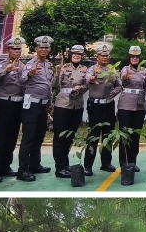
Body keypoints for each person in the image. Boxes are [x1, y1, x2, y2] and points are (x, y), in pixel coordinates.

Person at [0, 34, 25, 182]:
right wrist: (7, 70)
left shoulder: (23, 66)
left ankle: (5, 166)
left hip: (18, 103)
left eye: (19, 49)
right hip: (4, 103)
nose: (17, 52)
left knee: (12, 137)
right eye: (14, 49)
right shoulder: (2, 64)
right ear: (8, 50)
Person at [14, 37, 52, 182]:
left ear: (49, 49)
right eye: (41, 47)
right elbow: (22, 79)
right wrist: (30, 73)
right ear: (36, 49)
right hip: (32, 104)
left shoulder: (48, 64)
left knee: (39, 135)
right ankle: (23, 170)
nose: (44, 50)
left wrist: (49, 102)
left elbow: (48, 85)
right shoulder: (31, 64)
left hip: (43, 105)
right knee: (28, 137)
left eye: (46, 47)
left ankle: (35, 164)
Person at [50, 44, 89, 177]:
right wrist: (57, 73)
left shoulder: (85, 69)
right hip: (63, 105)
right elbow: (54, 85)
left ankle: (65, 164)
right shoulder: (63, 68)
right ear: (71, 55)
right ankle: (59, 167)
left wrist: (81, 88)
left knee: (70, 136)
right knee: (60, 136)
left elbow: (87, 86)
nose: (76, 56)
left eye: (79, 54)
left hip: (77, 105)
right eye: (74, 54)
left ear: (82, 56)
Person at [82, 44, 121, 176]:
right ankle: (88, 166)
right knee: (93, 136)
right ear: (97, 56)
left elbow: (119, 85)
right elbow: (87, 77)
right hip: (96, 105)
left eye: (106, 55)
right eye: (102, 55)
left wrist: (115, 92)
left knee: (108, 135)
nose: (104, 57)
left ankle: (106, 163)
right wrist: (91, 79)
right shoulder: (92, 69)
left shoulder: (112, 70)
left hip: (109, 105)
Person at [116, 46, 146, 178]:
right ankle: (124, 163)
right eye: (132, 56)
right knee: (125, 135)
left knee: (135, 136)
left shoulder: (144, 70)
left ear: (140, 58)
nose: (135, 58)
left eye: (137, 56)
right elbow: (122, 80)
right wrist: (124, 78)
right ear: (129, 57)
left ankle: (132, 162)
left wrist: (145, 98)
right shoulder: (125, 69)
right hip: (126, 105)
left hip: (139, 107)